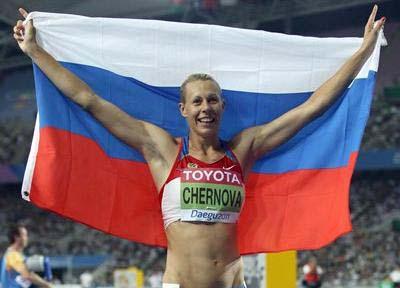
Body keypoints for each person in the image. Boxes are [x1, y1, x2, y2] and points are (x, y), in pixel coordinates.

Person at [13, 6, 385, 288]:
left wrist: (363, 52)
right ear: (184, 109)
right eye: (197, 101)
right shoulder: (161, 150)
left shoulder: (244, 149)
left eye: (212, 100)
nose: (205, 107)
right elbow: (89, 100)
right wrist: (35, 52)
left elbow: (312, 107)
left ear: (223, 106)